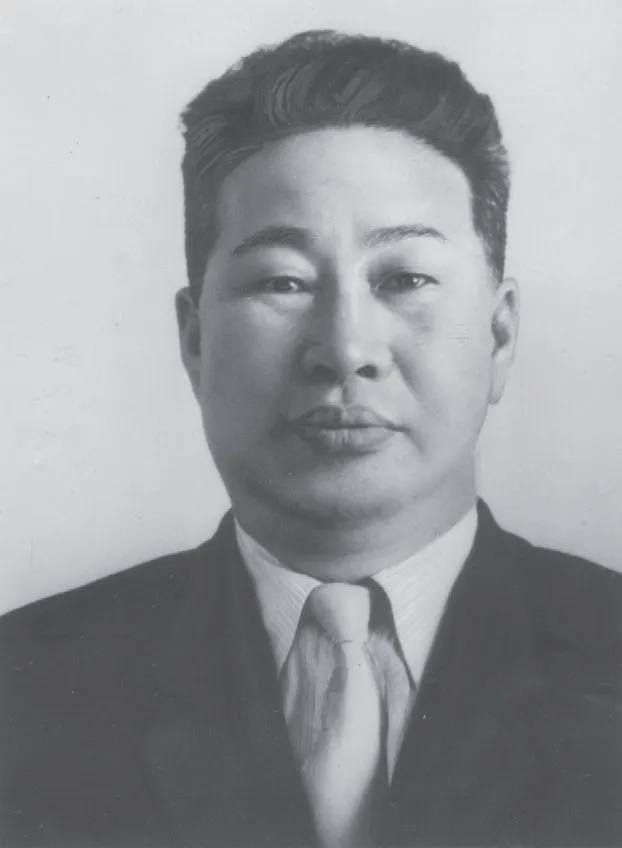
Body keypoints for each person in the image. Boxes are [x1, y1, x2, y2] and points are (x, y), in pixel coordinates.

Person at [1, 29, 620, 848]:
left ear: (499, 336)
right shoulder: (24, 689)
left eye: (405, 279)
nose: (346, 347)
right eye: (283, 281)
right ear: (195, 340)